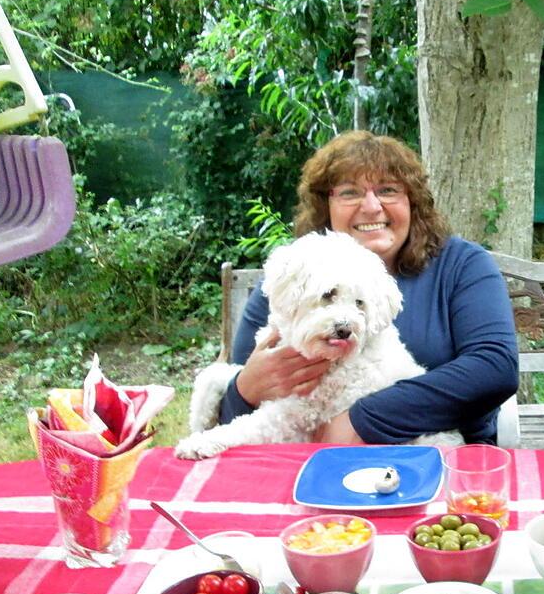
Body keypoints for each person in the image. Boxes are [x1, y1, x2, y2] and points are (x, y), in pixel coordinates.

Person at [219, 130, 519, 444]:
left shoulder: (461, 266)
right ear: (326, 206)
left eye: (388, 190)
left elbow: (495, 367)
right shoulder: (298, 275)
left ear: (412, 202)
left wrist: (362, 420)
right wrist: (244, 389)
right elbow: (232, 418)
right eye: (350, 192)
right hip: (303, 462)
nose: (372, 206)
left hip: (440, 458)